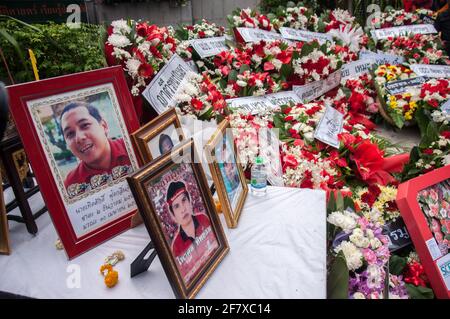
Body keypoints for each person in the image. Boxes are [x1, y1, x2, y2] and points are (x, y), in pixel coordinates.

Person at [60, 101, 132, 194]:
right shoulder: (71, 185)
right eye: (70, 134)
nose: (79, 138)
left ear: (104, 126)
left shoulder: (134, 147)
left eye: (85, 125)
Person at [166, 181, 218, 283]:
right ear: (173, 215)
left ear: (190, 201)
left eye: (184, 200)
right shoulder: (176, 246)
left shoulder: (203, 218)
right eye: (176, 206)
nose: (183, 209)